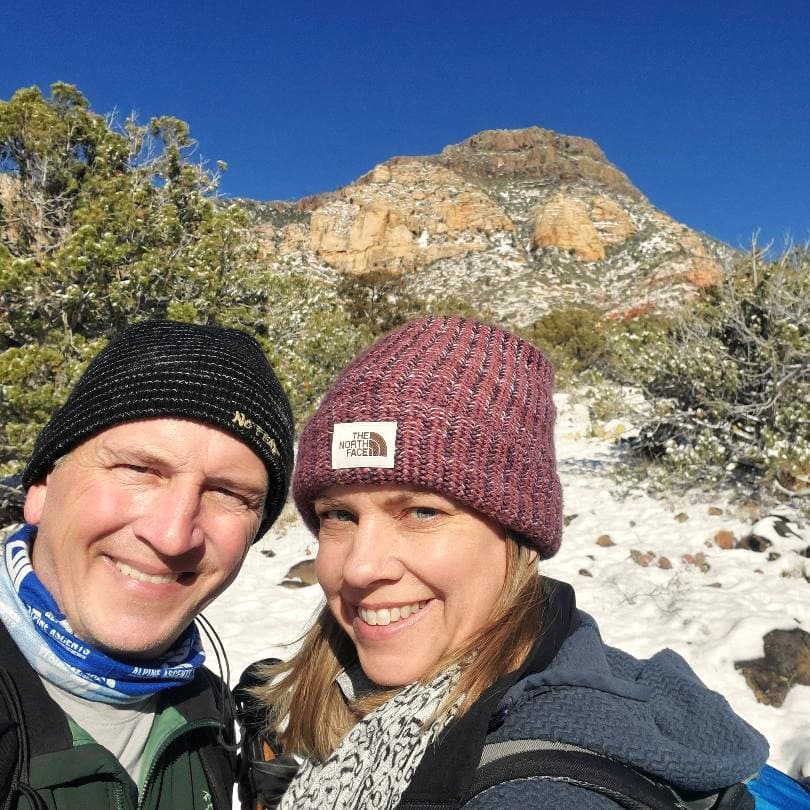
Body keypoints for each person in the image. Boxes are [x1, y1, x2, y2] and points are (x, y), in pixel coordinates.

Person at [242, 315, 770, 810]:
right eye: (338, 514)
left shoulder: (544, 785)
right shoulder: (332, 694)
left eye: (422, 511)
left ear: (518, 535)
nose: (359, 568)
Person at [0, 320, 295, 810]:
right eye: (138, 469)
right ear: (41, 489)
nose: (173, 535)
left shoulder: (208, 713)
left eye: (228, 494)